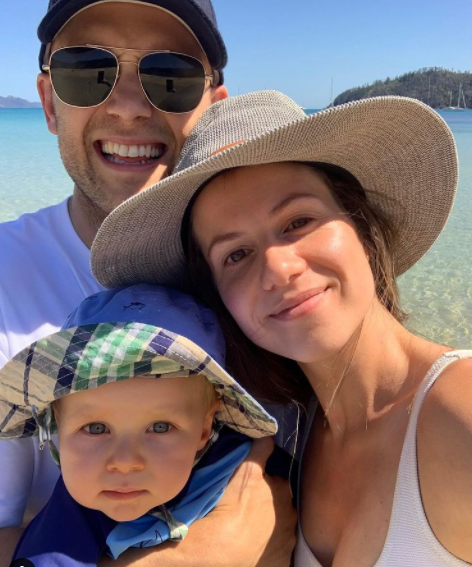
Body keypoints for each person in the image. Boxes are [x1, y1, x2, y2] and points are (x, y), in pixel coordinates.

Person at [91, 91, 472, 566]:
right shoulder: (278, 435)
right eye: (236, 254)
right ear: (219, 301)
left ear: (361, 226)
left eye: (298, 221)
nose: (277, 269)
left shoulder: (459, 414)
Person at [0, 3, 296, 566]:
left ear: (213, 110)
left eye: (171, 77)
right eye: (87, 70)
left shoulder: (275, 277)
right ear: (48, 101)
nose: (131, 108)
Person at [0, 284, 278, 565]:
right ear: (58, 424)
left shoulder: (248, 471)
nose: (124, 462)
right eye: (96, 428)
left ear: (205, 430)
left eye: (160, 427)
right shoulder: (73, 517)